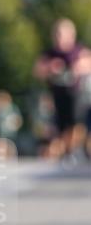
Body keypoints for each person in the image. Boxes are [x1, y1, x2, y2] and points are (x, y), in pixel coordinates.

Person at [33, 18, 91, 165]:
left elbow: (88, 63)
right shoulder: (50, 53)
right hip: (57, 95)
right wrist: (50, 67)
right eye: (57, 34)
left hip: (77, 93)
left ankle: (71, 150)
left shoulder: (79, 50)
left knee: (76, 123)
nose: (60, 38)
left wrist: (78, 67)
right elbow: (37, 71)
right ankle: (67, 152)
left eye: (63, 34)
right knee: (60, 125)